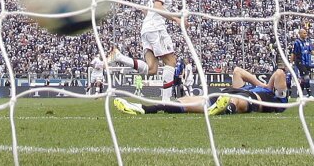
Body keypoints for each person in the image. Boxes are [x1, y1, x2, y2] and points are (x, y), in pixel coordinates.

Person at [108, 0, 183, 102]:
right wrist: (176, 19)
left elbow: (148, 9)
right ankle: (166, 102)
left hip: (147, 29)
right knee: (171, 62)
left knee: (152, 69)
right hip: (155, 28)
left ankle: (119, 57)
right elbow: (157, 6)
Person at [114, 65, 289, 116]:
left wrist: (268, 87)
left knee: (236, 101)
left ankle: (224, 109)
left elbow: (280, 73)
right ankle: (144, 109)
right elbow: (238, 71)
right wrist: (261, 83)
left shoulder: (276, 100)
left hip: (249, 99)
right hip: (223, 95)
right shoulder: (254, 86)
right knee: (185, 101)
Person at [291, 28, 311, 96]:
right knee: (306, 76)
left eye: (306, 33)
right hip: (300, 62)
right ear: (300, 34)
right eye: (304, 33)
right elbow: (293, 53)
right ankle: (309, 93)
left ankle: (300, 92)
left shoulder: (308, 42)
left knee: (303, 78)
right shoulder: (297, 42)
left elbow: (311, 51)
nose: (306, 34)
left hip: (307, 62)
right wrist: (291, 63)